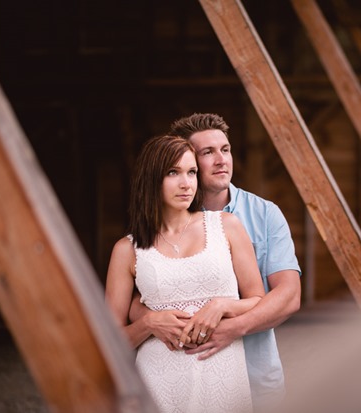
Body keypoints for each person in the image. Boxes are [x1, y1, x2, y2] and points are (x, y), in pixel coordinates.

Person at [128, 113, 302, 411]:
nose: (222, 160)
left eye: (225, 149)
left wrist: (232, 325)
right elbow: (142, 287)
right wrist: (149, 319)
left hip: (254, 374)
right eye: (208, 153)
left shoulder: (263, 214)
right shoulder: (154, 223)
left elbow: (288, 296)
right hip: (172, 374)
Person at [105, 134, 265, 413]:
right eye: (173, 173)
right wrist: (149, 323)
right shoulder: (126, 250)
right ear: (151, 179)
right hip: (158, 382)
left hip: (223, 376)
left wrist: (222, 305)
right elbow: (109, 342)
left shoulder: (226, 226)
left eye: (191, 172)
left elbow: (258, 300)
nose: (186, 183)